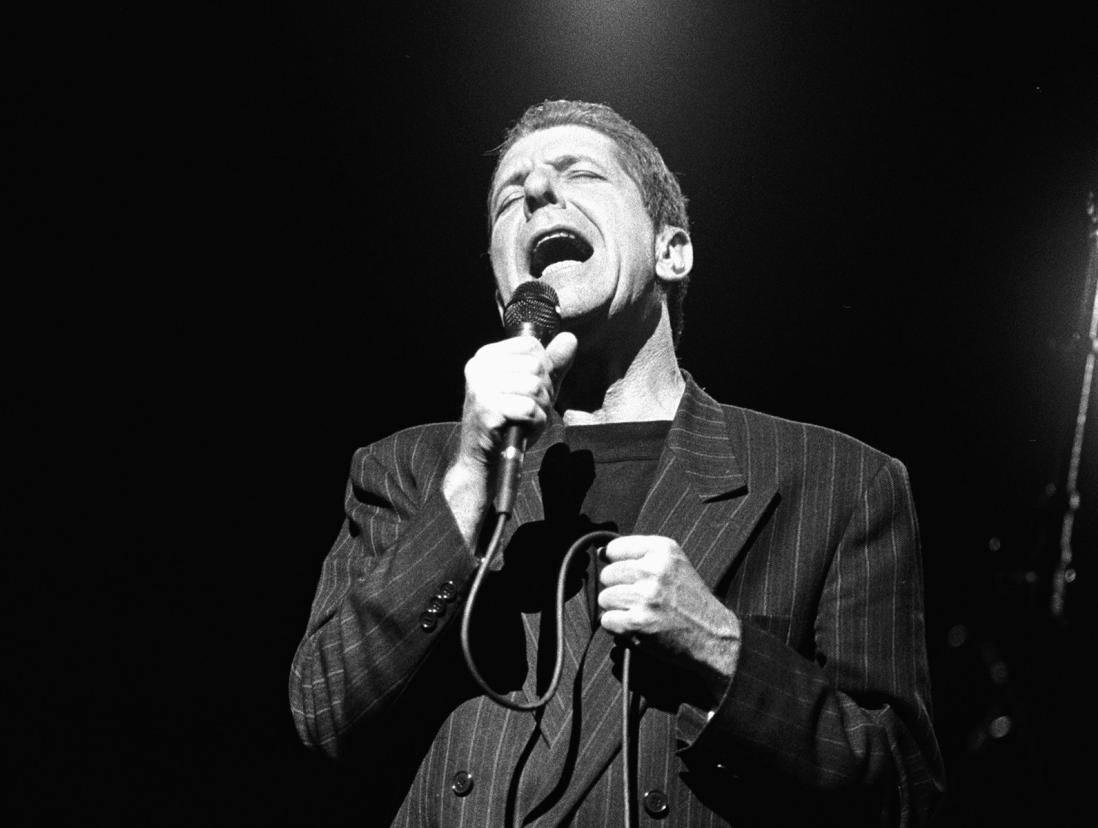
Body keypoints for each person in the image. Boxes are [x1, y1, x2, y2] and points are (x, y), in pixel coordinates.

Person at [289, 99, 945, 826]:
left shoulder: (837, 482)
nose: (537, 194)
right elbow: (323, 714)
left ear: (672, 251)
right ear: (503, 292)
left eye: (580, 174)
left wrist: (725, 651)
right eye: (510, 197)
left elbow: (905, 794)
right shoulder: (408, 470)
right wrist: (469, 477)